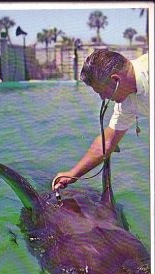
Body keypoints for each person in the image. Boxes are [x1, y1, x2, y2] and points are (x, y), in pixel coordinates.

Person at [52, 49, 149, 191]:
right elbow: (108, 142)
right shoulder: (126, 101)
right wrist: (73, 174)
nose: (103, 98)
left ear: (116, 80)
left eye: (101, 92)